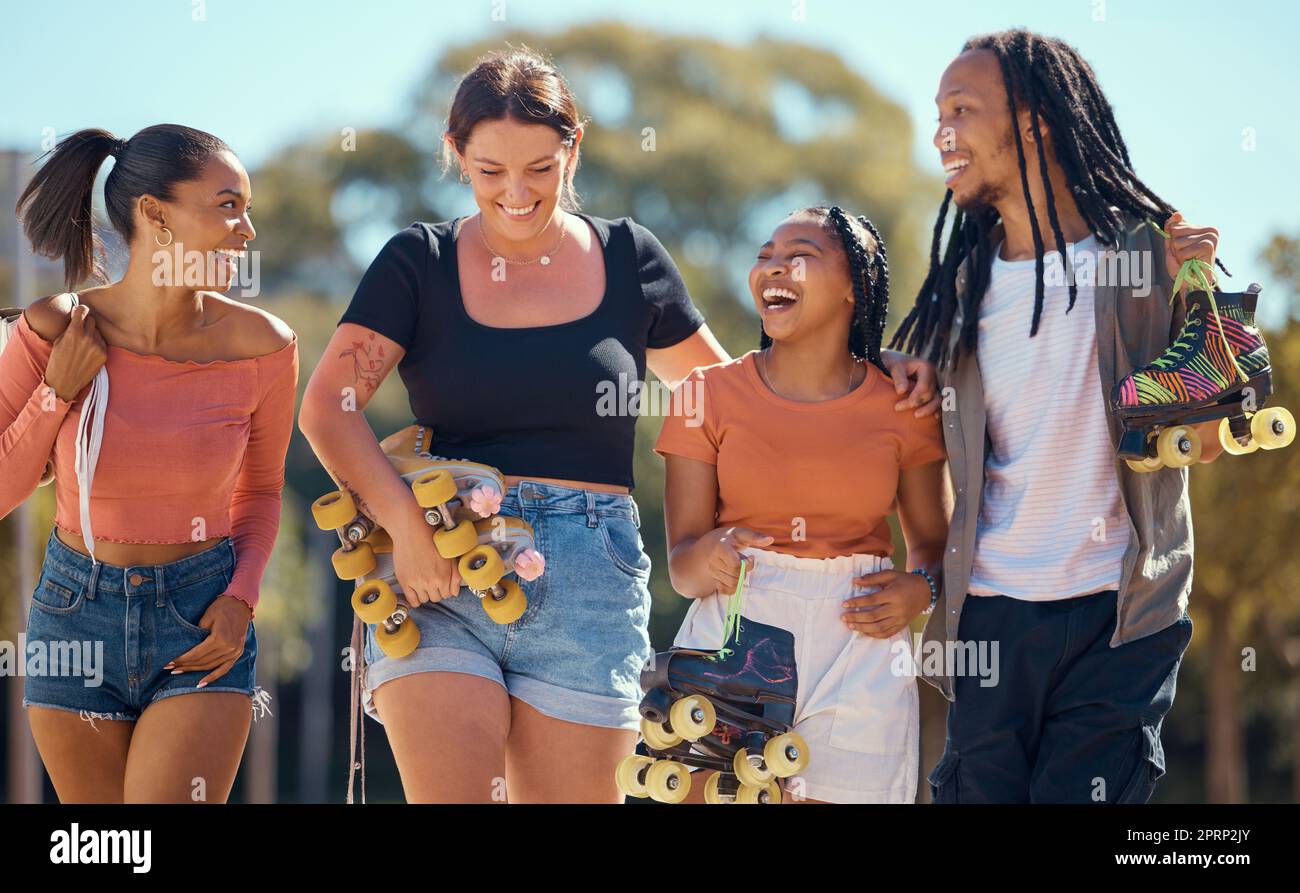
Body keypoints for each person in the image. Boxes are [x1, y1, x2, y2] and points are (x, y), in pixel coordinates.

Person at [299, 47, 939, 803]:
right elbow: (327, 406)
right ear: (456, 156)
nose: (515, 193)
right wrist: (404, 528)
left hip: (591, 577)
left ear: (576, 147)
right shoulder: (418, 261)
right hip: (442, 568)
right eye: (489, 169)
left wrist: (872, 365)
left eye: (540, 167)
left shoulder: (631, 258)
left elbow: (739, 395)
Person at [890, 29, 1225, 803]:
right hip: (992, 617)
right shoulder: (960, 290)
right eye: (937, 113)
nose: (942, 133)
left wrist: (1201, 296)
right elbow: (930, 446)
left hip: (1120, 615)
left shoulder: (1145, 256)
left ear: (1036, 118)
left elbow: (1206, 440)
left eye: (962, 110)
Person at [3, 125, 298, 802]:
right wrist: (57, 393)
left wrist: (240, 600)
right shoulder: (56, 327)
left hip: (201, 618)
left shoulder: (264, 347)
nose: (246, 229)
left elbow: (260, 491)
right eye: (227, 205)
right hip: (73, 614)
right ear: (154, 213)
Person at [654, 206, 948, 803]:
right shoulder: (704, 395)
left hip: (860, 648)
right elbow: (682, 567)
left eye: (801, 255)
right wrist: (711, 553)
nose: (773, 267)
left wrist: (922, 589)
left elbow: (936, 547)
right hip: (733, 632)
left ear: (852, 288)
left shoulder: (904, 404)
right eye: (765, 255)